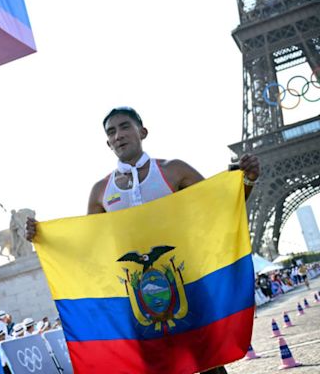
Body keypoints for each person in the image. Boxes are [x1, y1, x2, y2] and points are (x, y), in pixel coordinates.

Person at [26, 107, 260, 374]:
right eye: (111, 132)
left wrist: (248, 181)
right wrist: (42, 237)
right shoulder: (101, 191)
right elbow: (89, 247)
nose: (118, 135)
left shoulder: (173, 170)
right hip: (135, 296)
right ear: (107, 143)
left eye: (125, 127)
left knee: (207, 363)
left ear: (143, 131)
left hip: (185, 283)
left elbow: (220, 209)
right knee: (155, 367)